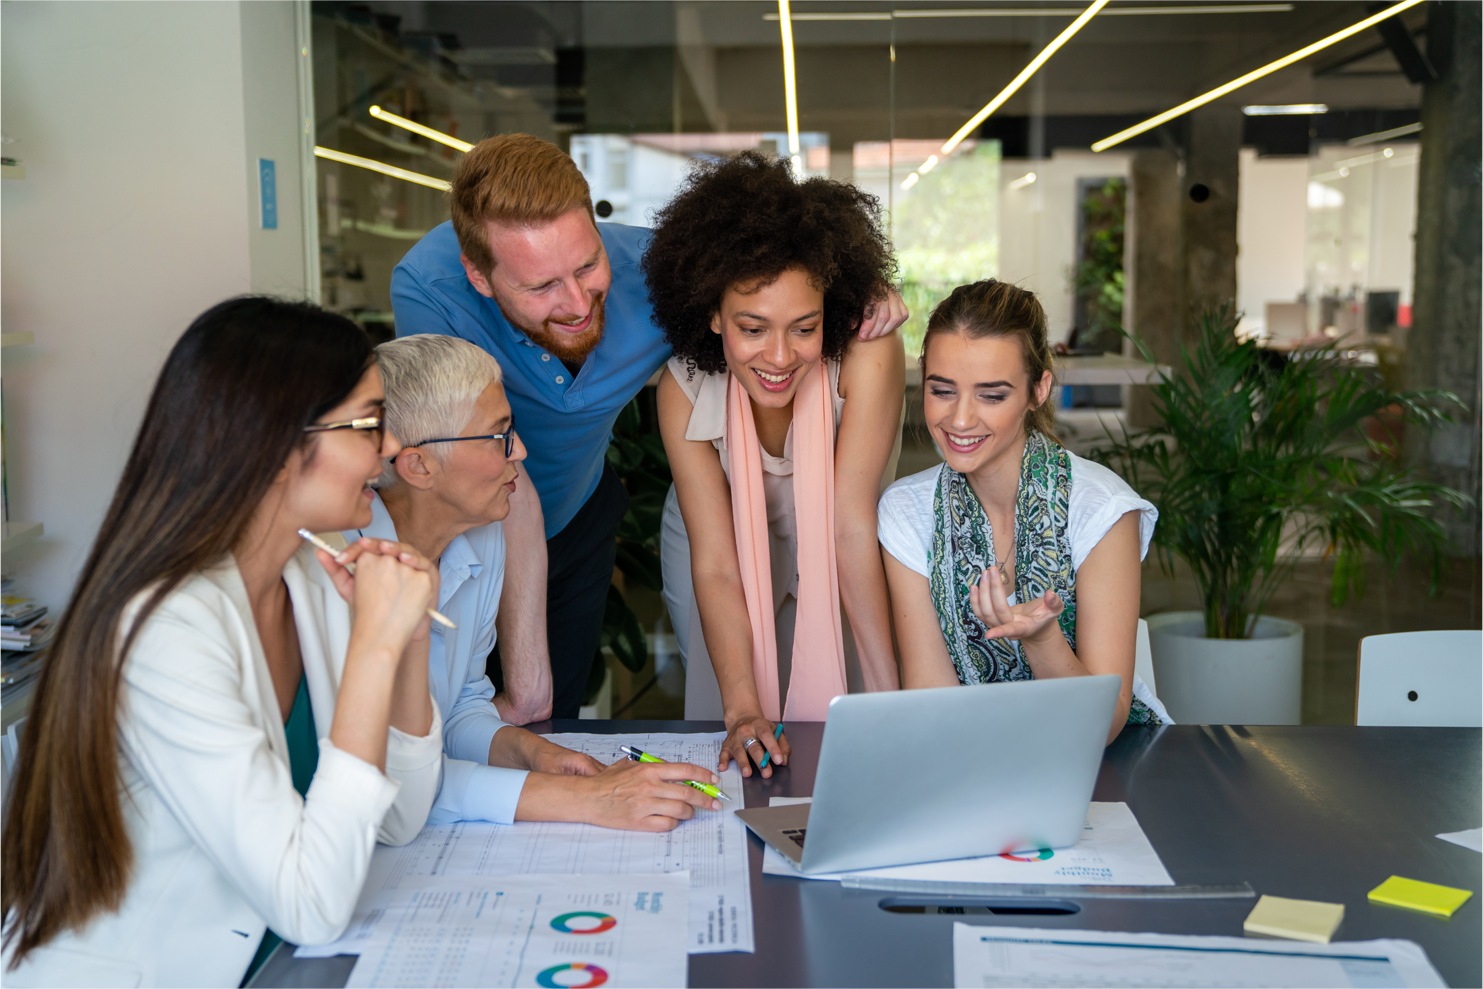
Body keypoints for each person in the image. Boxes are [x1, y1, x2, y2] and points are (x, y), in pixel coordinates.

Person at [1, 298, 443, 987]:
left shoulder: (308, 576)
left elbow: (401, 819)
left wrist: (407, 639)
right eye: (370, 423)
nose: (388, 447)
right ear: (272, 449)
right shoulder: (163, 627)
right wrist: (373, 649)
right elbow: (312, 906)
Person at [391, 134, 906, 720]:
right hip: (471, 523)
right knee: (448, 719)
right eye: (541, 287)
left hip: (577, 521)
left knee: (553, 720)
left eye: (588, 265)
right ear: (480, 278)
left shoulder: (664, 275)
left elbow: (768, 275)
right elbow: (491, 457)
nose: (579, 302)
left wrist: (861, 290)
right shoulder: (429, 290)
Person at [356, 333, 722, 829]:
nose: (521, 451)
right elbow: (384, 787)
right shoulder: (342, 574)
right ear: (418, 465)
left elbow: (462, 703)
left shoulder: (482, 532)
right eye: (498, 435)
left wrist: (532, 752)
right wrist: (582, 800)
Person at [648, 151, 905, 778]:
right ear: (713, 315)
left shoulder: (869, 351)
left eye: (804, 326)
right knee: (734, 708)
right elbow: (714, 563)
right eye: (752, 327)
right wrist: (742, 711)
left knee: (856, 699)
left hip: (847, 530)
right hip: (716, 538)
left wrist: (893, 702)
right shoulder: (680, 387)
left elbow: (848, 525)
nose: (780, 356)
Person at [876, 280, 1171, 744]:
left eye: (992, 395)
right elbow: (933, 701)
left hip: (1103, 764)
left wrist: (1041, 641)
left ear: (1039, 389)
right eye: (943, 390)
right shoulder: (907, 512)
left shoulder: (1101, 508)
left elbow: (1106, 724)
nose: (960, 419)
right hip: (966, 754)